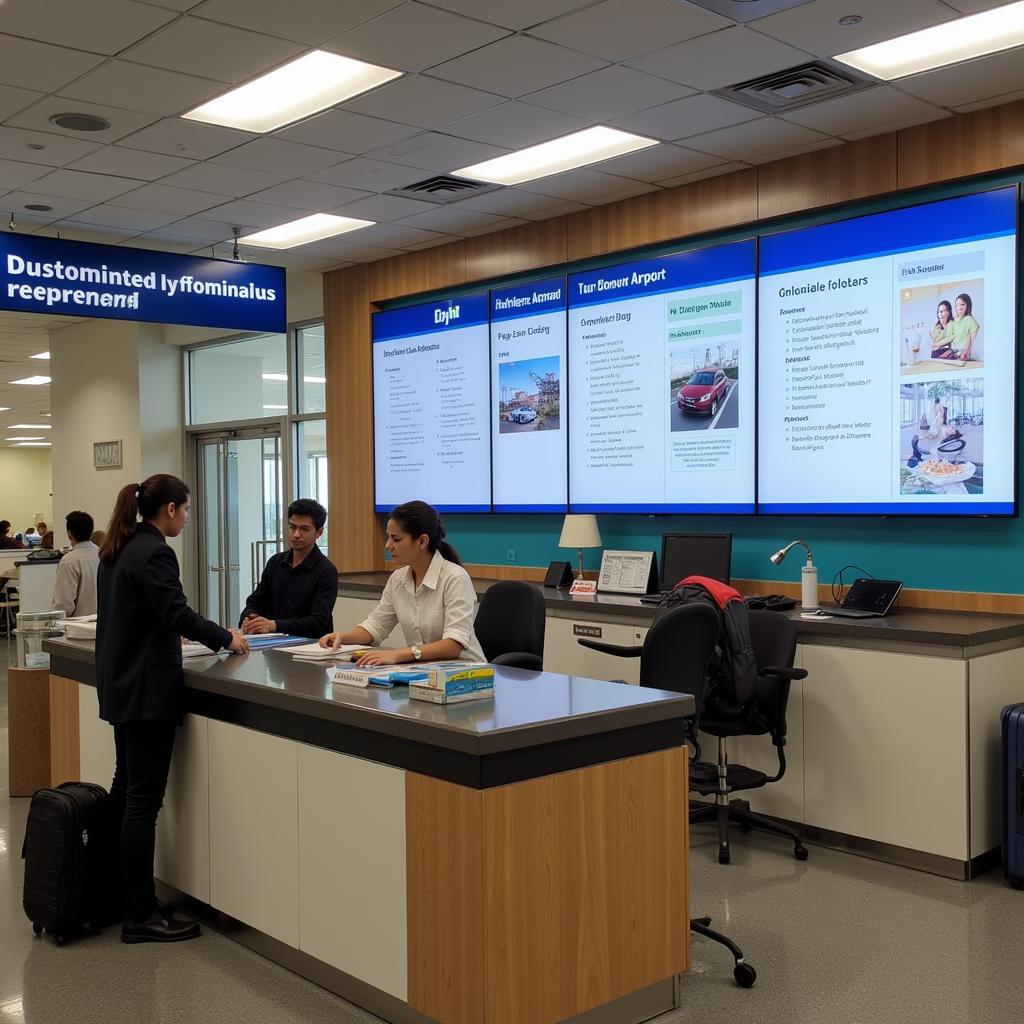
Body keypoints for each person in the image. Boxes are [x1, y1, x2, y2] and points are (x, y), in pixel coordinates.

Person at [96, 474, 248, 944]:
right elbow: (175, 612)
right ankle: (139, 914)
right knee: (142, 803)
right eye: (185, 510)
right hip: (147, 693)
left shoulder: (118, 546)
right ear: (170, 510)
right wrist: (227, 637)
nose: (187, 517)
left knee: (125, 791)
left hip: (121, 686)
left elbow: (146, 613)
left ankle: (122, 894)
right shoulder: (156, 551)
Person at [319, 500, 484, 666]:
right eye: (388, 537)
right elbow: (376, 626)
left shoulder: (455, 578)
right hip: (423, 672)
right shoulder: (398, 579)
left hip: (466, 674)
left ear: (422, 541)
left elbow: (454, 645)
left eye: (396, 539)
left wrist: (398, 654)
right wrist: (342, 637)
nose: (388, 545)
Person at [240, 498, 337, 638]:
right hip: (269, 644)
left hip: (308, 647)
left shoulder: (326, 571)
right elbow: (255, 601)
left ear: (319, 532)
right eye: (292, 527)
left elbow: (318, 622)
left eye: (304, 529)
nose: (296, 534)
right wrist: (251, 617)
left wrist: (274, 625)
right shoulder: (275, 562)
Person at [51, 510, 100, 617]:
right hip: (105, 624)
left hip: (78, 626)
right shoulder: (104, 555)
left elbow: (63, 605)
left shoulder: (69, 561)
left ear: (69, 534)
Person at [938, 292, 980, 361]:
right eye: (957, 305)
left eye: (962, 304)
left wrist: (966, 352)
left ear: (968, 306)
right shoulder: (953, 320)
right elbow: (950, 338)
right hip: (952, 351)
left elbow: (970, 339)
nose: (959, 308)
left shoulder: (969, 319)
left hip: (962, 352)